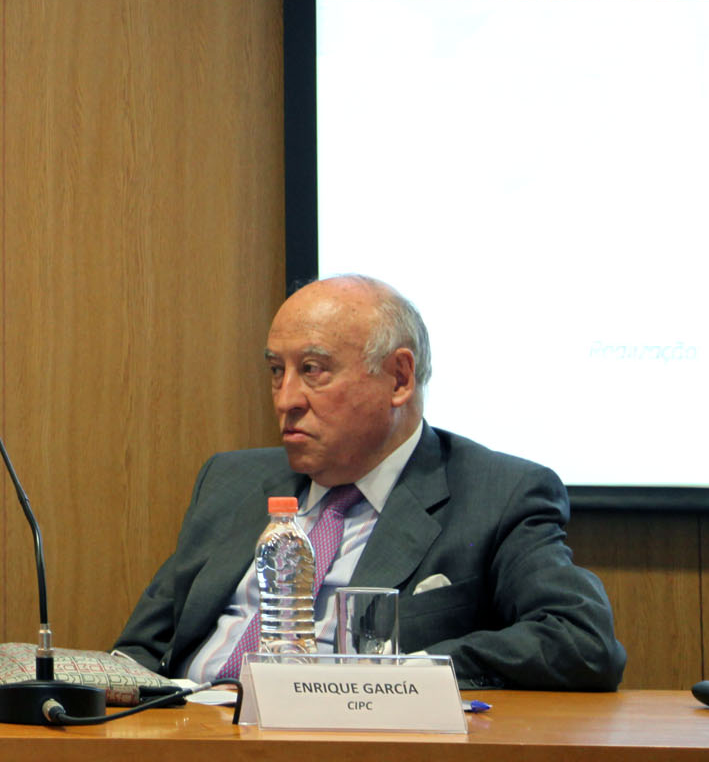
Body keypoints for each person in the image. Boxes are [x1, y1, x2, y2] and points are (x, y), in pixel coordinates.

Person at [114, 274, 624, 691]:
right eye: (275, 371)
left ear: (399, 378)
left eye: (312, 369)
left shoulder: (498, 494)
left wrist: (401, 677)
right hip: (188, 736)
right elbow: (139, 651)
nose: (286, 399)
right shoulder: (231, 481)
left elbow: (581, 640)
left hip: (347, 751)